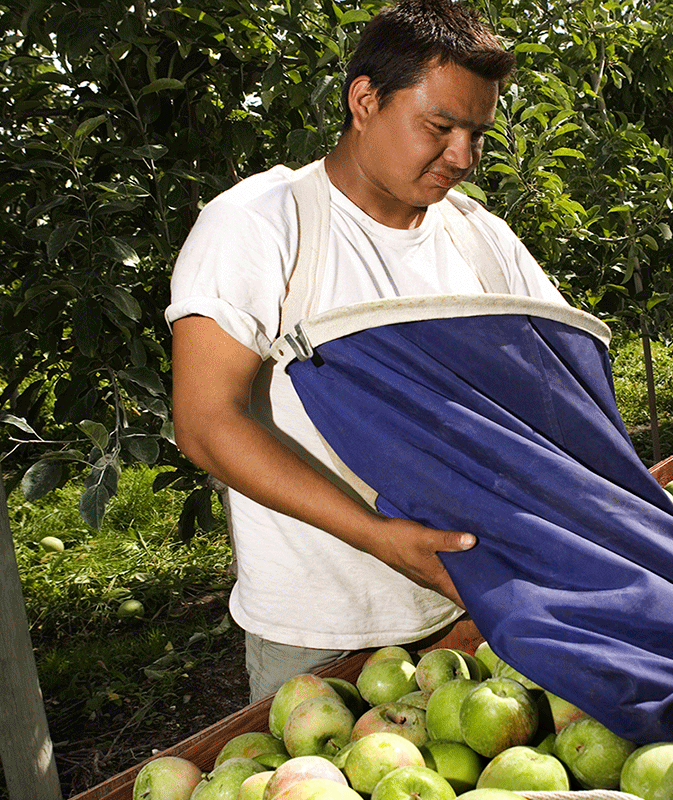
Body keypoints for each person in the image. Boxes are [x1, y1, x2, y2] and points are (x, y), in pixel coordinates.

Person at [165, 0, 569, 702]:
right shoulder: (263, 225)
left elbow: (556, 392)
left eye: (477, 134)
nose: (462, 158)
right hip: (321, 632)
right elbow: (207, 422)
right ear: (364, 100)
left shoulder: (481, 239)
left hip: (469, 608)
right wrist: (379, 537)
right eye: (439, 127)